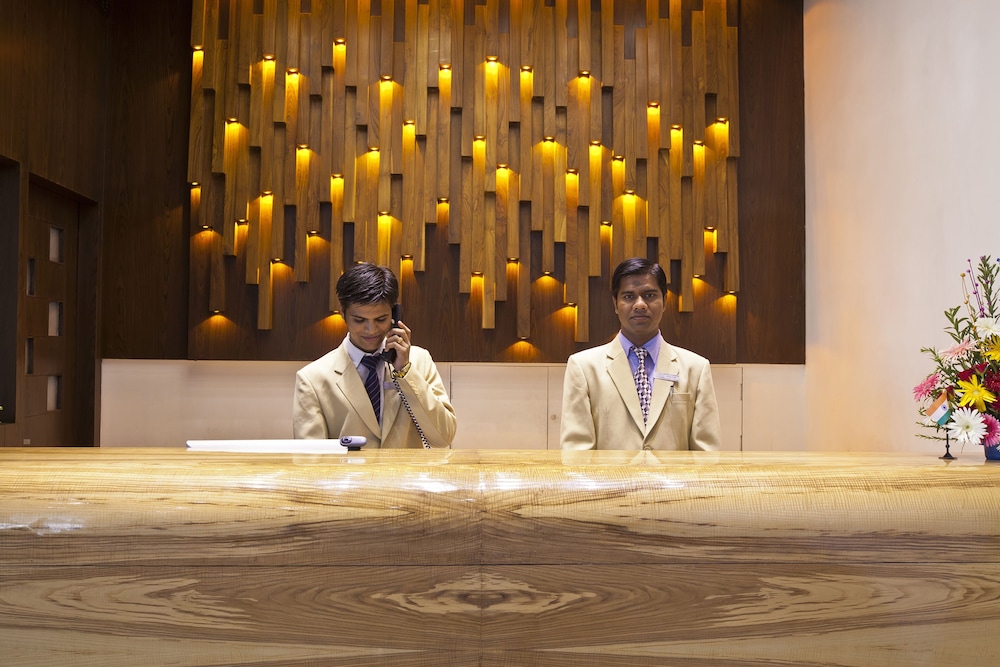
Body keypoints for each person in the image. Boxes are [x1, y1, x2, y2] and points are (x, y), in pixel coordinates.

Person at [560, 257, 721, 451]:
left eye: (649, 295)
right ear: (615, 304)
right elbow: (577, 452)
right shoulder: (584, 368)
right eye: (629, 296)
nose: (640, 304)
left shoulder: (696, 368)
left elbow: (706, 453)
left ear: (664, 301)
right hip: (611, 473)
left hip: (673, 473)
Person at [293, 262, 457, 448]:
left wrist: (405, 371)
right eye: (359, 320)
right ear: (343, 313)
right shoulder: (312, 379)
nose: (371, 330)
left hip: (407, 469)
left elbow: (443, 437)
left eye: (380, 319)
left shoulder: (420, 361)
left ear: (394, 313)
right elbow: (311, 458)